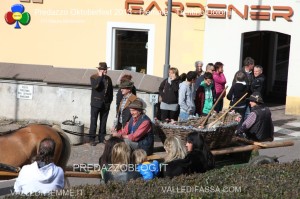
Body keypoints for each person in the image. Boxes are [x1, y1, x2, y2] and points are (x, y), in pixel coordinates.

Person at [89, 62, 113, 146]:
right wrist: (100, 76)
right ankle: (92, 139)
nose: (105, 71)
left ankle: (101, 138)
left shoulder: (108, 79)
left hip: (105, 104)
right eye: (103, 69)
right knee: (93, 121)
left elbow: (110, 91)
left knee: (103, 122)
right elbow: (95, 86)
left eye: (106, 69)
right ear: (99, 70)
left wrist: (110, 101)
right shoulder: (94, 77)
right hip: (96, 103)